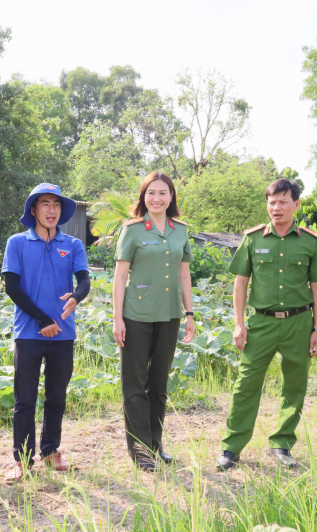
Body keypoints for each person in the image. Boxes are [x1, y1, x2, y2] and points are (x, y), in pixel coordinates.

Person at [216, 179, 317, 472]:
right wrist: (239, 323)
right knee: (246, 384)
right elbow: (240, 283)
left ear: (296, 204)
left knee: (295, 385)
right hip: (261, 323)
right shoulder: (253, 239)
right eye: (271, 202)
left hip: (299, 323)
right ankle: (232, 447)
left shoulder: (310, 241)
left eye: (283, 202)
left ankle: (282, 444)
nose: (276, 208)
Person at [1, 183, 90, 484]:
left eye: (56, 204)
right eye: (45, 204)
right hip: (28, 333)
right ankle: (22, 460)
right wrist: (42, 319)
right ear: (33, 210)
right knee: (24, 400)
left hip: (63, 334)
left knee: (57, 397)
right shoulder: (17, 242)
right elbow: (12, 287)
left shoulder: (72, 244)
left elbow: (84, 281)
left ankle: (51, 451)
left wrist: (76, 297)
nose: (51, 210)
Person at [112, 171, 195, 472]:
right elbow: (120, 276)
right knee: (135, 385)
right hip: (136, 315)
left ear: (171, 197)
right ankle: (139, 449)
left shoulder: (180, 231)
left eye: (162, 193)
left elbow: (184, 275)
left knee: (159, 384)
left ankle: (155, 444)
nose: (156, 198)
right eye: (151, 193)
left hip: (169, 314)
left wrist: (189, 314)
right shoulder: (132, 230)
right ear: (143, 197)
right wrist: (117, 319)